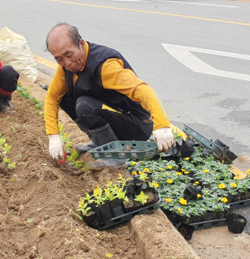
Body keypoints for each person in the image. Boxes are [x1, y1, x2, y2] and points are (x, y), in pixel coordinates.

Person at [44, 23, 175, 169]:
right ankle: (99, 142)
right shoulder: (66, 67)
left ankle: (115, 156)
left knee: (84, 105)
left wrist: (162, 126)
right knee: (65, 98)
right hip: (113, 113)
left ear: (81, 44)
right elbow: (52, 96)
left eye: (69, 54)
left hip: (137, 125)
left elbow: (142, 90)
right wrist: (53, 136)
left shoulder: (105, 66)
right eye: (59, 58)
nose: (66, 62)